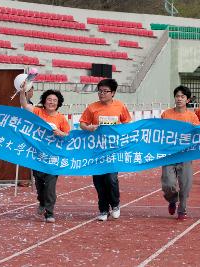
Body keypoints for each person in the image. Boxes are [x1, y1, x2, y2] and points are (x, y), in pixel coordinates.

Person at [79, 78, 131, 221]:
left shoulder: (120, 107)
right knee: (99, 181)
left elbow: (127, 124)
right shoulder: (92, 107)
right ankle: (103, 209)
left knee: (111, 179)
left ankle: (115, 204)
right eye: (100, 91)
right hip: (96, 150)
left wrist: (121, 132)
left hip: (113, 150)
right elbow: (82, 123)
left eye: (105, 91)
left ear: (113, 93)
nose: (102, 94)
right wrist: (88, 128)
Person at [20, 86, 70, 223]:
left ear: (58, 103)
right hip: (37, 156)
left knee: (50, 185)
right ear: (44, 101)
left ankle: (49, 212)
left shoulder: (61, 119)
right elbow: (24, 105)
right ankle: (42, 202)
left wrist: (61, 134)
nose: (51, 102)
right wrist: (23, 91)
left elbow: (68, 137)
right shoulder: (37, 112)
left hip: (53, 157)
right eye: (49, 99)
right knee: (40, 183)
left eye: (54, 100)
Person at [161, 85, 200, 220]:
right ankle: (172, 199)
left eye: (182, 97)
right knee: (168, 184)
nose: (179, 99)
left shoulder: (192, 117)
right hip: (169, 155)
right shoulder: (166, 114)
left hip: (186, 155)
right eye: (177, 96)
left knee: (185, 185)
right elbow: (159, 131)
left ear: (187, 100)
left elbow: (198, 135)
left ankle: (182, 210)